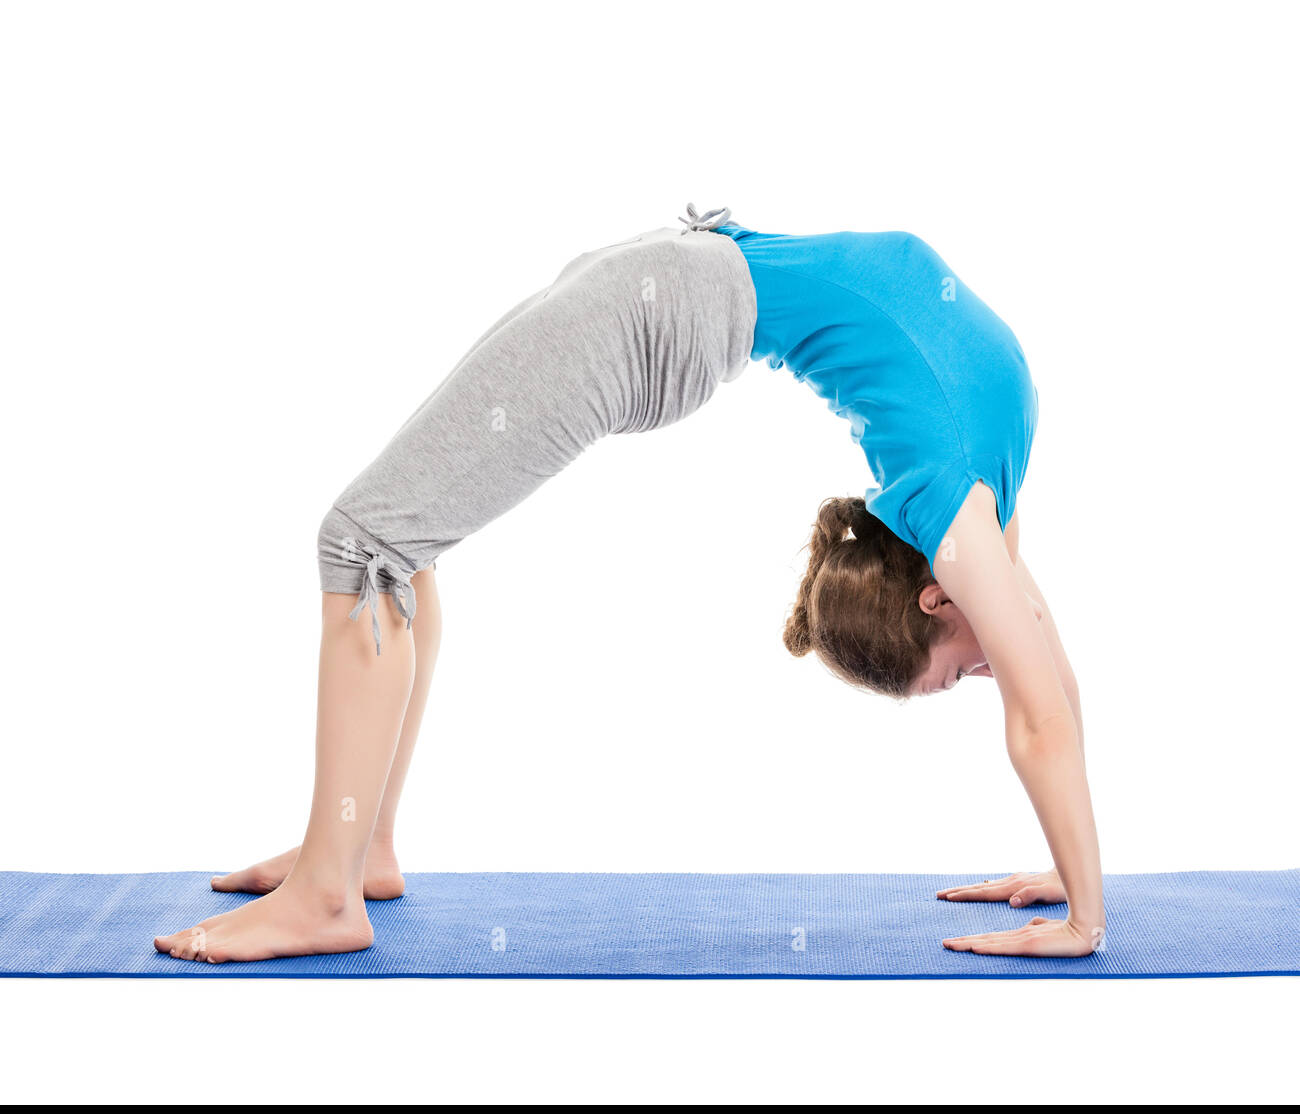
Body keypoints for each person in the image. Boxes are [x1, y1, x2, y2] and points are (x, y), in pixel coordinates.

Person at [154, 205, 1103, 963]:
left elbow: (1050, 690)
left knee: (392, 534)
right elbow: (1043, 722)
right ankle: (336, 882)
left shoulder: (977, 503)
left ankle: (352, 858)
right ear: (936, 597)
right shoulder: (959, 529)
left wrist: (1068, 876)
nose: (995, 666)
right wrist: (1086, 921)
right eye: (957, 677)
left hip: (671, 280)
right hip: (654, 311)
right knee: (370, 542)